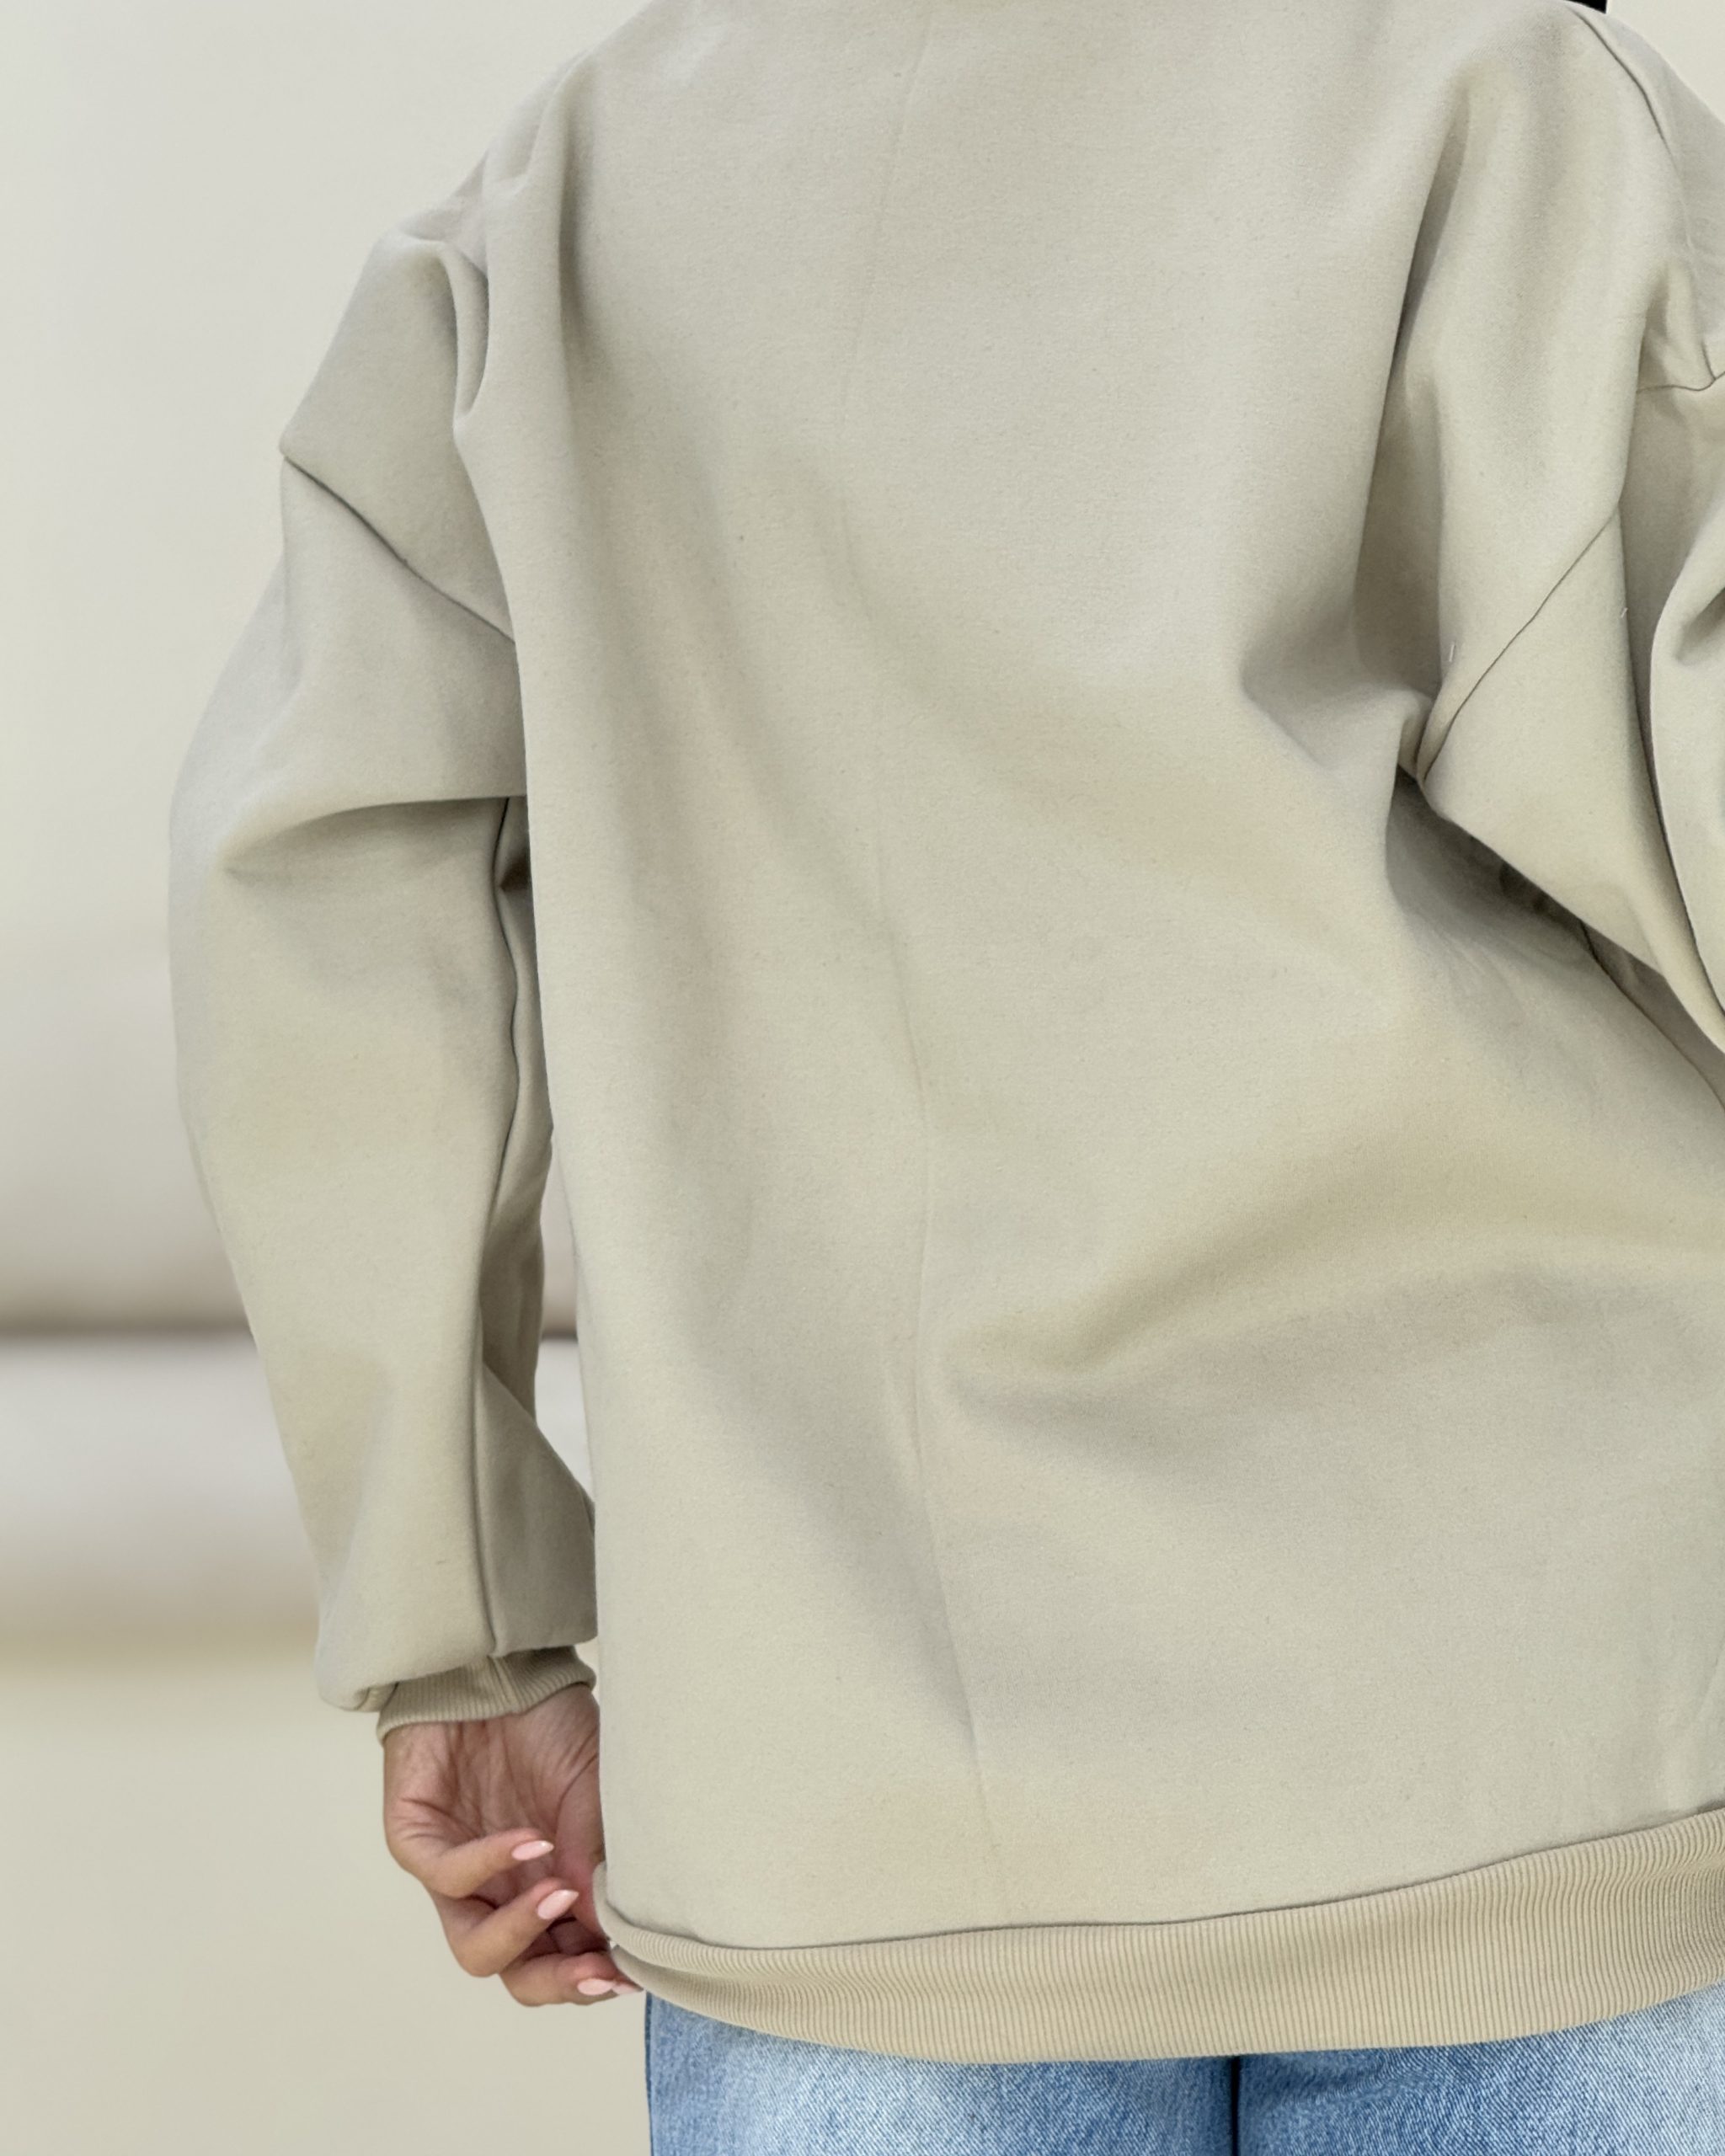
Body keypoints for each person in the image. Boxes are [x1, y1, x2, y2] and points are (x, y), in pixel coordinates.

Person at [166, 0, 1725, 2143]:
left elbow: (312, 900)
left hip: (861, 1794)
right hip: (1570, 1746)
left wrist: (472, 1629)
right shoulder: (1501, 104)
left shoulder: (553, 214)